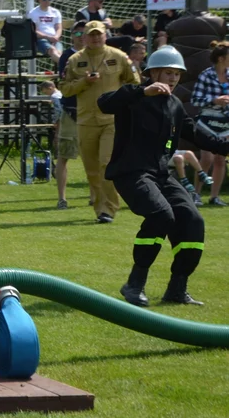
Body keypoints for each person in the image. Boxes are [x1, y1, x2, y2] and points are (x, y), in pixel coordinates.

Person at [99, 46, 229, 307]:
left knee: (193, 220)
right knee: (161, 215)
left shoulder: (175, 105)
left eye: (177, 74)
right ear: (153, 72)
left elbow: (197, 134)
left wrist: (223, 145)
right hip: (131, 173)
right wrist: (139, 91)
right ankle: (134, 284)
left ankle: (177, 289)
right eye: (168, 73)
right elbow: (105, 102)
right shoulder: (133, 97)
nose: (173, 78)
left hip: (160, 175)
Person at [60, 21, 138, 223]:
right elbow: (66, 89)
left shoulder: (119, 56)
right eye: (91, 34)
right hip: (86, 119)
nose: (95, 38)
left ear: (105, 35)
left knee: (106, 163)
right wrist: (84, 82)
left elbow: (134, 84)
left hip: (112, 119)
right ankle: (100, 207)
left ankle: (108, 209)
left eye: (99, 34)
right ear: (84, 37)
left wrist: (124, 102)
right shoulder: (75, 60)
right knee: (92, 169)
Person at [55, 21, 92, 209]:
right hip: (71, 112)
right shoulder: (67, 57)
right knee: (64, 155)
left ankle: (95, 196)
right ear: (72, 36)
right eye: (78, 34)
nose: (82, 37)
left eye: (85, 34)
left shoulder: (97, 56)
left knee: (93, 157)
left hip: (92, 112)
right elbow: (64, 86)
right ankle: (62, 198)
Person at [189, 40, 229, 206]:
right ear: (221, 58)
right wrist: (214, 100)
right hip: (207, 121)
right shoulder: (206, 75)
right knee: (207, 158)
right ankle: (196, 194)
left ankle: (214, 196)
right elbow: (195, 100)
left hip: (225, 123)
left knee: (220, 159)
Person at [27, 0, 63, 64]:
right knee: (53, 50)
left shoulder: (56, 12)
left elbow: (59, 27)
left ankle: (64, 71)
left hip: (55, 39)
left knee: (59, 53)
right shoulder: (33, 13)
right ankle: (68, 68)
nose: (47, 1)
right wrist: (48, 37)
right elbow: (34, 31)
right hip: (40, 40)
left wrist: (56, 37)